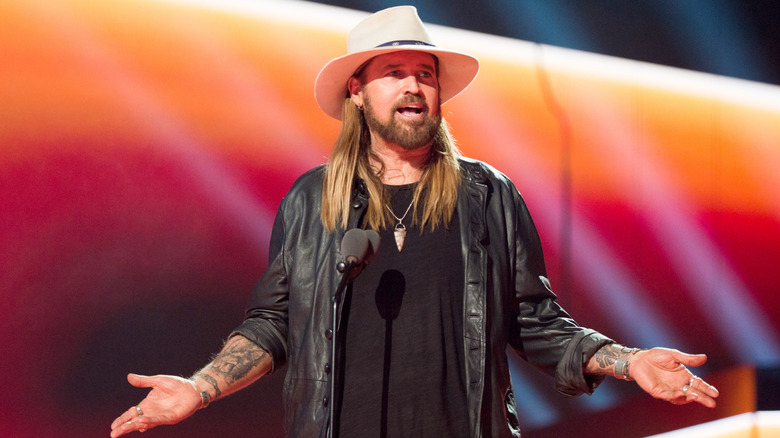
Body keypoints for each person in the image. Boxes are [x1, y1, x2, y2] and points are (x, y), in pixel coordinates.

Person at [110, 6, 719, 438]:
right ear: (357, 91)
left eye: (425, 75)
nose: (414, 86)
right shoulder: (312, 200)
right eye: (394, 73)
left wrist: (627, 359)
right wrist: (200, 387)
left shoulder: (488, 196)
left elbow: (535, 321)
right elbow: (273, 323)